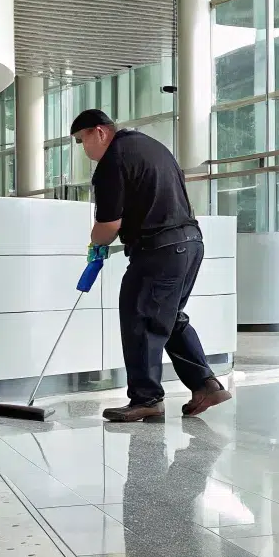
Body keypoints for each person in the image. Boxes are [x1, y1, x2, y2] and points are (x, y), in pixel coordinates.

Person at [72, 109, 231, 423]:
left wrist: (95, 244)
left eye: (81, 140)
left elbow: (108, 223)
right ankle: (205, 385)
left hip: (159, 249)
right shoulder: (151, 147)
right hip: (190, 243)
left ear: (99, 132)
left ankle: (146, 399)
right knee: (167, 318)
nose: (83, 149)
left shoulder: (112, 161)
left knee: (139, 317)